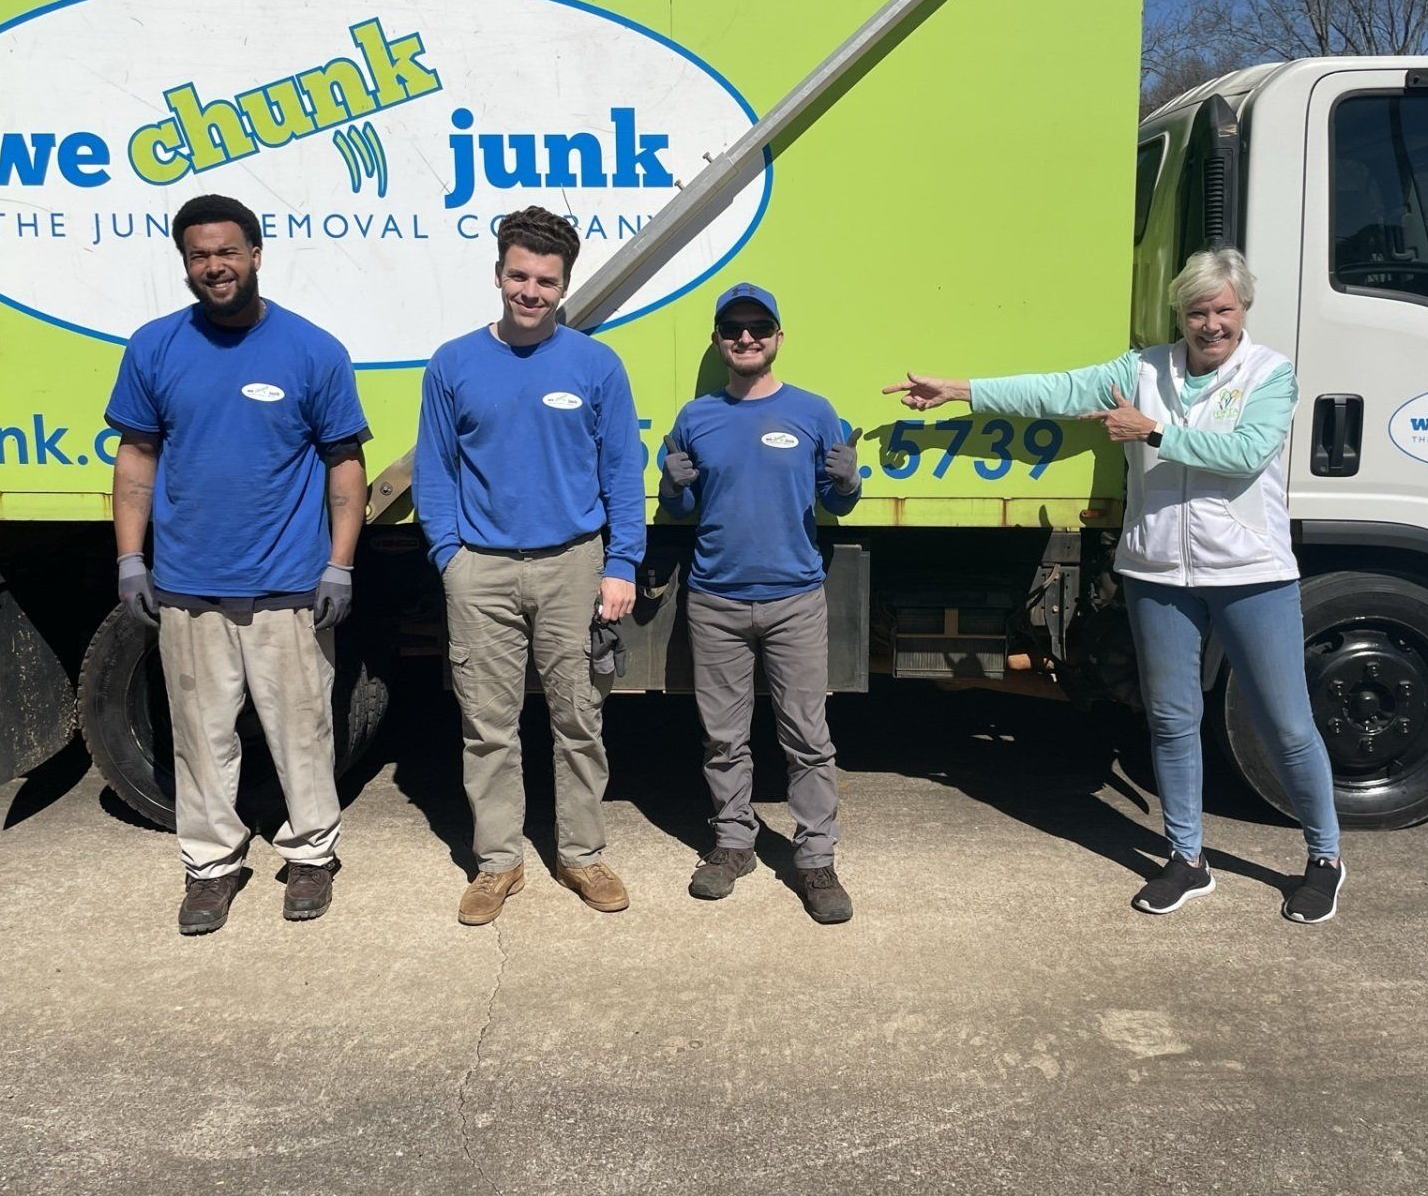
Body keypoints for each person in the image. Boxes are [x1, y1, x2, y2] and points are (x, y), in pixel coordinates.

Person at [885, 248, 1345, 924]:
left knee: (1286, 725)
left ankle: (1325, 858)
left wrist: (1153, 429)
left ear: (1243, 309)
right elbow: (1058, 389)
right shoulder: (1143, 368)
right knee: (1169, 718)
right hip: (1157, 570)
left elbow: (1247, 454)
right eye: (1197, 311)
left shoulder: (1271, 374)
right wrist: (960, 391)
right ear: (1179, 314)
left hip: (1252, 573)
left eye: (1222, 310)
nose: (1210, 324)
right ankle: (1187, 859)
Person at [107, 194, 369, 936]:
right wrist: (132, 558)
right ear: (185, 263)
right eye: (199, 255)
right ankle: (210, 868)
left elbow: (344, 464)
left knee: (301, 730)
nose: (214, 266)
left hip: (288, 584)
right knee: (200, 737)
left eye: (227, 251)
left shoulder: (312, 350)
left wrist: (339, 565)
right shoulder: (154, 347)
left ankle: (312, 854)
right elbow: (137, 457)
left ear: (256, 253)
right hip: (187, 584)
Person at [413, 207, 644, 926]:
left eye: (546, 280)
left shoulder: (595, 365)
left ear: (564, 285)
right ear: (498, 275)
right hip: (479, 569)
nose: (530, 291)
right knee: (488, 722)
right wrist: (449, 555)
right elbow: (434, 469)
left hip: (573, 564)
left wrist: (622, 562)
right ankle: (497, 863)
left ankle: (581, 855)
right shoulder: (453, 363)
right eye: (519, 275)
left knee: (579, 717)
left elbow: (622, 471)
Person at [660, 284, 862, 924]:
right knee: (723, 737)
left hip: (794, 598)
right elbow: (681, 509)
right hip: (715, 598)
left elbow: (838, 503)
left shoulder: (814, 411)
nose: (745, 338)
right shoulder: (696, 417)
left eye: (758, 327)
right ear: (719, 340)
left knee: (807, 737)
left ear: (778, 336)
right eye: (732, 328)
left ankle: (815, 859)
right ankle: (732, 844)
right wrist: (671, 490)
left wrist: (849, 480)